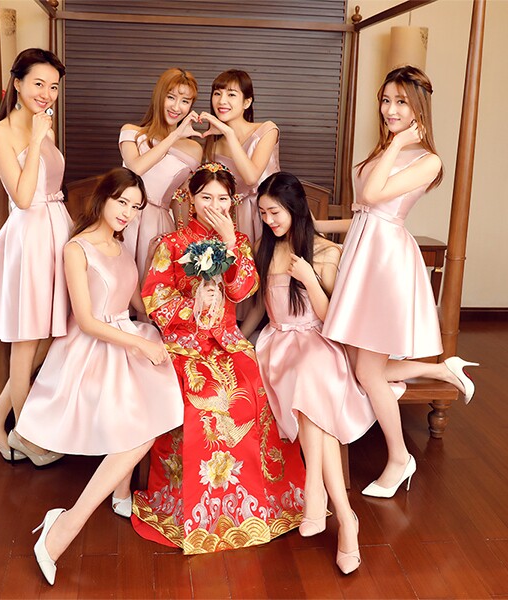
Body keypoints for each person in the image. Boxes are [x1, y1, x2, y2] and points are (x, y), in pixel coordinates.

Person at [131, 162, 306, 555]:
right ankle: (194, 509)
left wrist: (229, 241)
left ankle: (257, 503)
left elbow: (244, 291)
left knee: (253, 390)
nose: (214, 205)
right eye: (206, 197)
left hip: (227, 339)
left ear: (232, 202)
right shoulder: (171, 242)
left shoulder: (239, 241)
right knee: (202, 404)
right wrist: (192, 306)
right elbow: (154, 298)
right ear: (190, 200)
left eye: (222, 198)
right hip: (184, 342)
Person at [321, 66, 478, 497]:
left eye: (401, 102)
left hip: (386, 263)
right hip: (364, 252)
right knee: (360, 364)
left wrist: (399, 143)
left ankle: (399, 458)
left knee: (367, 371)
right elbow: (363, 211)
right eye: (386, 101)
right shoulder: (384, 150)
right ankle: (440, 368)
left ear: (419, 108)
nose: (390, 110)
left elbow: (375, 197)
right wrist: (314, 225)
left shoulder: (428, 160)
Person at [28, 167, 184, 585]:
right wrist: (141, 345)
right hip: (92, 348)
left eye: (136, 206)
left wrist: (174, 324)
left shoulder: (121, 245)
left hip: (128, 338)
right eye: (122, 202)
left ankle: (119, 491)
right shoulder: (77, 249)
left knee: (153, 413)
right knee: (139, 428)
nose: (128, 212)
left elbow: (138, 303)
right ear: (103, 197)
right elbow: (86, 320)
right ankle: (65, 525)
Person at [242, 172, 397, 574]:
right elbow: (260, 307)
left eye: (275, 212)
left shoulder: (327, 253)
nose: (269, 220)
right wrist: (239, 340)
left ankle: (322, 500)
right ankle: (344, 517)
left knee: (310, 374)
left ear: (295, 208)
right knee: (309, 387)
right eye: (263, 213)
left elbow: (334, 320)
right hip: (277, 344)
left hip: (318, 340)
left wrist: (310, 279)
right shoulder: (263, 248)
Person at [0, 48, 72, 466]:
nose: (46, 94)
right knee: (27, 343)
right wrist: (35, 138)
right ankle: (25, 434)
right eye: (38, 84)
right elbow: (24, 198)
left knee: (51, 335)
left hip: (57, 231)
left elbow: (52, 186)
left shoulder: (44, 125)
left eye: (53, 87)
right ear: (17, 83)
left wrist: (42, 133)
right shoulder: (0, 133)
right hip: (30, 239)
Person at [119, 68, 203, 282]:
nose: (176, 107)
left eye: (185, 101)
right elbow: (135, 170)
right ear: (159, 96)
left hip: (160, 222)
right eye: (171, 97)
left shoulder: (194, 149)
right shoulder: (132, 133)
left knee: (154, 287)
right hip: (126, 216)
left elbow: (182, 199)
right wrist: (175, 136)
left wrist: (187, 241)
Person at [201, 69, 279, 246]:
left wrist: (228, 133)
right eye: (217, 93)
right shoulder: (213, 144)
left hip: (268, 214)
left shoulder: (266, 130)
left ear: (247, 102)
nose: (222, 101)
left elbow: (251, 178)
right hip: (232, 219)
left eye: (231, 94)